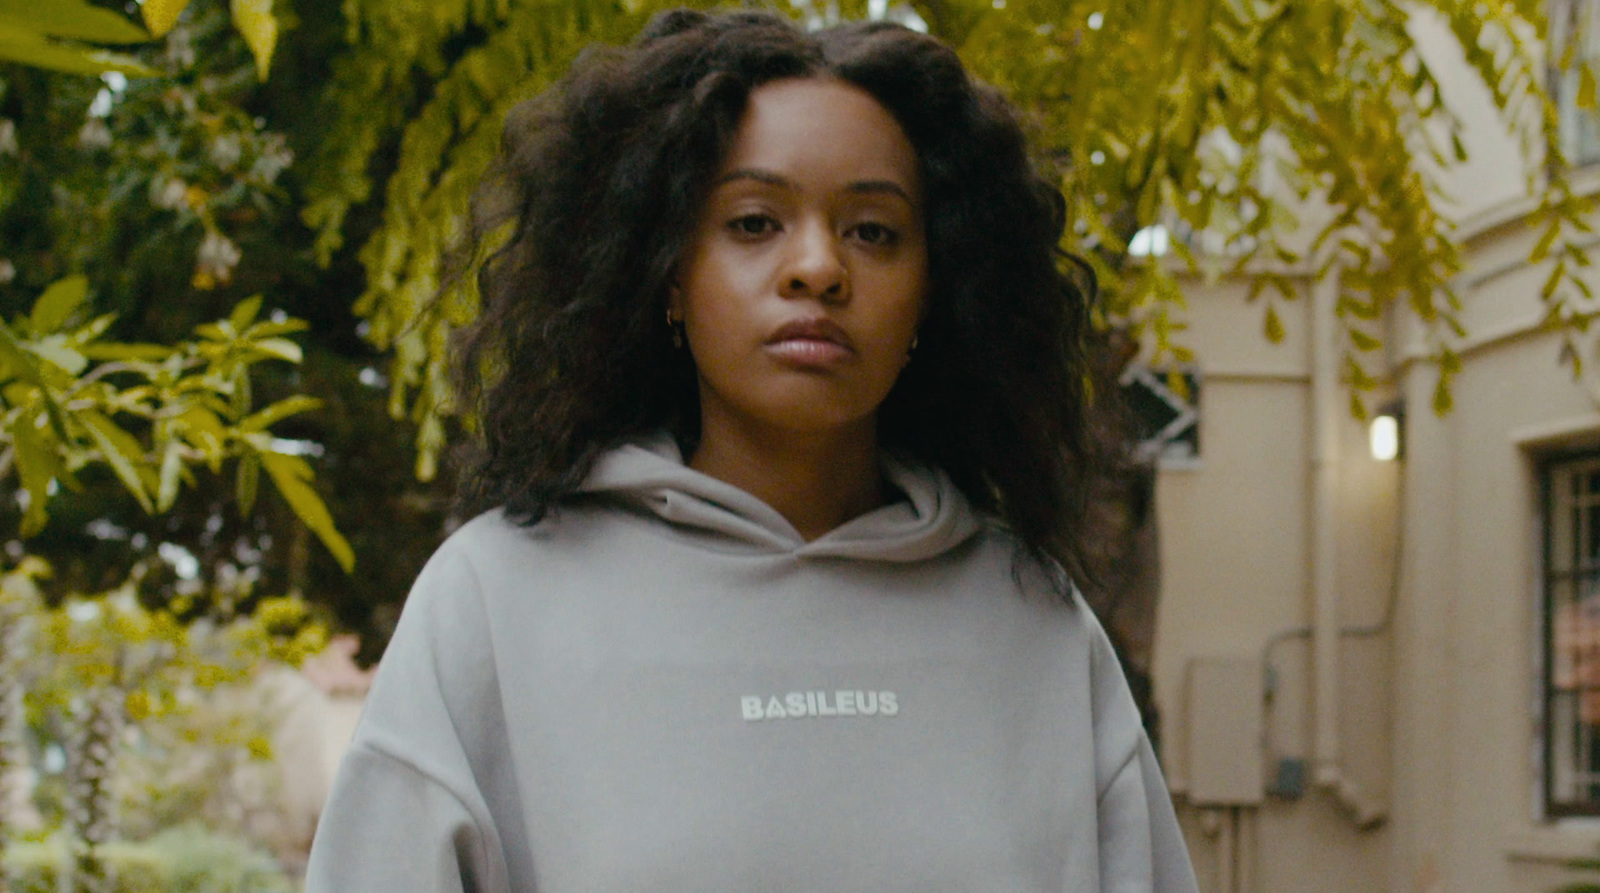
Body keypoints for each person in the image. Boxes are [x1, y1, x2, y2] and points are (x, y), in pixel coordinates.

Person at [303, 9, 1199, 893]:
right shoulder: (493, 604)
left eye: (874, 231)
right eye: (753, 222)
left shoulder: (1032, 620)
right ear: (668, 274)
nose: (818, 268)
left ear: (934, 290)